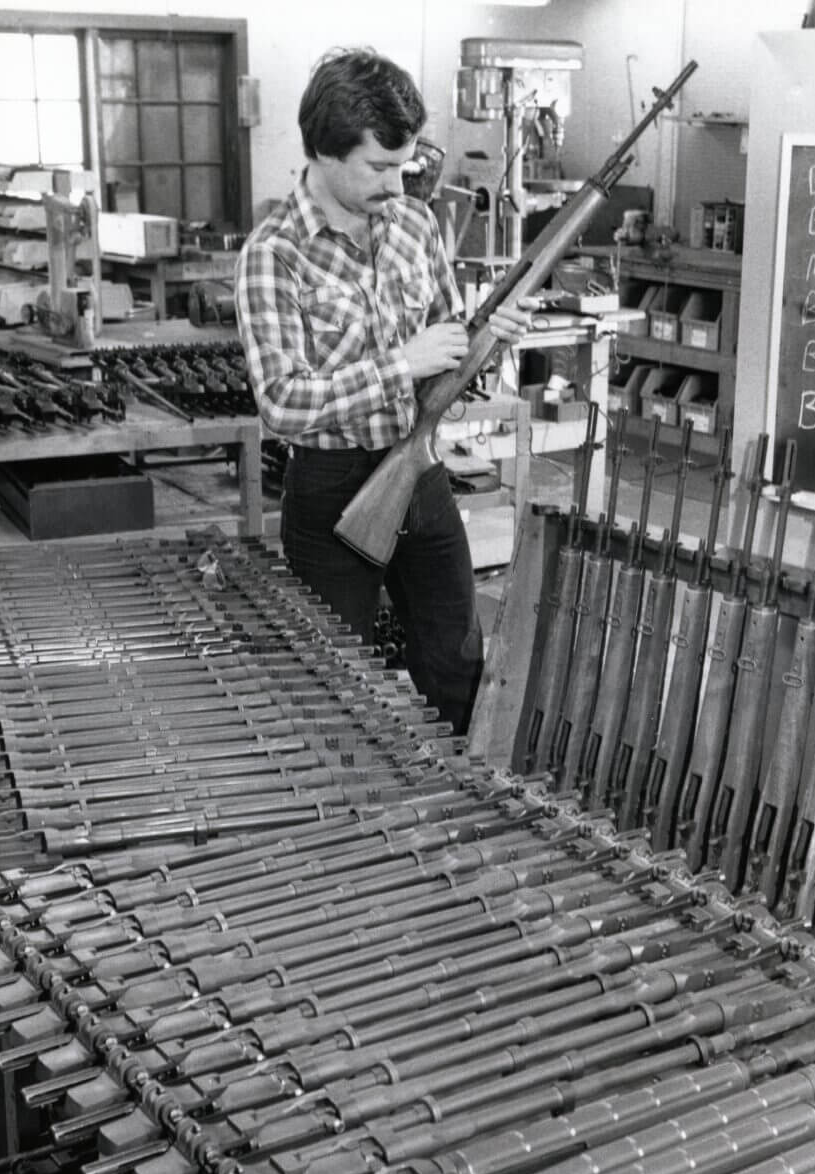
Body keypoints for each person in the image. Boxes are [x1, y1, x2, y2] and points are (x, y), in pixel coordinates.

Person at [236, 48, 530, 734]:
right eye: (379, 167)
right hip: (332, 488)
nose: (398, 186)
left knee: (457, 660)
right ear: (323, 151)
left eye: (405, 165)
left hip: (418, 470)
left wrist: (488, 340)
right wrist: (401, 363)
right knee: (339, 691)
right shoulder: (274, 254)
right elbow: (281, 402)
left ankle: (457, 808)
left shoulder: (415, 226)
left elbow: (446, 361)